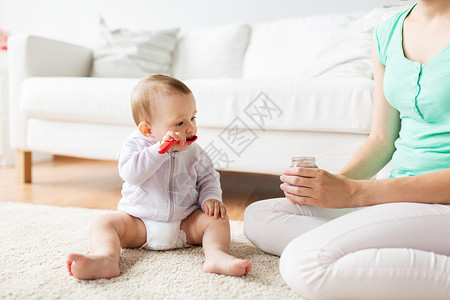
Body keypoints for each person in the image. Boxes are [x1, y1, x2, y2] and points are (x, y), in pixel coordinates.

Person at [244, 1, 450, 299]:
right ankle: (397, 246)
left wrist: (355, 193)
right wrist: (330, 187)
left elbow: (360, 191)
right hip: (397, 199)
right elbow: (381, 139)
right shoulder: (387, 33)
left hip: (439, 205)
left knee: (307, 263)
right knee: (261, 216)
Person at [67, 74, 251, 280]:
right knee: (103, 222)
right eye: (179, 123)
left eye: (193, 118)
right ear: (147, 129)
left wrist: (211, 199)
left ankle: (216, 255)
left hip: (185, 224)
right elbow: (131, 174)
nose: (190, 128)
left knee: (217, 219)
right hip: (139, 224)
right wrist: (159, 151)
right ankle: (106, 259)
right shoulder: (134, 145)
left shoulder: (194, 151)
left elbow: (208, 177)